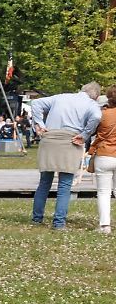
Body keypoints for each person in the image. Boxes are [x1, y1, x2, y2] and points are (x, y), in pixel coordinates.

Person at [27, 83, 103, 230]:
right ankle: (59, 222)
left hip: (50, 138)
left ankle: (37, 218)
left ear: (82, 90)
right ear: (96, 96)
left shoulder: (61, 97)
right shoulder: (91, 105)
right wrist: (85, 134)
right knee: (65, 185)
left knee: (44, 183)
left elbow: (36, 103)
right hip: (70, 140)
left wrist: (40, 124)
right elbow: (97, 116)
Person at [87, 85, 116, 234]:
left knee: (104, 192)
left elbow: (93, 130)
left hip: (104, 154)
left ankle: (105, 226)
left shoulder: (102, 113)